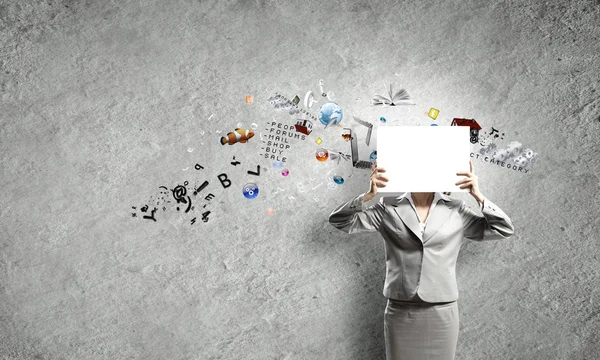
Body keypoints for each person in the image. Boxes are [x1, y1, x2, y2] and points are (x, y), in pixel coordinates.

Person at [328, 159, 515, 360]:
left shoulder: (457, 210)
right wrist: (368, 196)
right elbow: (341, 221)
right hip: (401, 308)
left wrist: (478, 196)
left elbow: (502, 229)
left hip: (442, 310)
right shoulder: (387, 209)